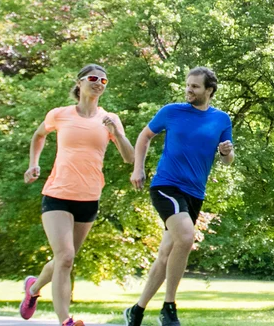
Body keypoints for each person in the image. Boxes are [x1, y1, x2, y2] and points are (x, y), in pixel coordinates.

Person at [19, 64, 137, 326]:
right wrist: (33, 163)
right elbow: (39, 136)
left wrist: (116, 133)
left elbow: (130, 158)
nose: (99, 83)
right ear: (80, 82)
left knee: (64, 258)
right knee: (66, 257)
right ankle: (66, 321)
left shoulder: (110, 119)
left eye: (104, 80)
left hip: (89, 196)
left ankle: (33, 288)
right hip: (57, 194)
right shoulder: (60, 115)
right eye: (93, 78)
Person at [123, 67, 233, 326]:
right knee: (185, 237)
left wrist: (226, 151)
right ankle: (169, 307)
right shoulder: (171, 111)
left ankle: (136, 311)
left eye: (195, 86)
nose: (189, 90)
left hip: (195, 193)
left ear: (209, 90)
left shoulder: (221, 120)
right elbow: (144, 137)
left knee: (167, 252)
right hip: (166, 186)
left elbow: (227, 161)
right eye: (187, 85)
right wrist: (138, 168)